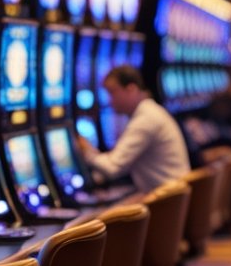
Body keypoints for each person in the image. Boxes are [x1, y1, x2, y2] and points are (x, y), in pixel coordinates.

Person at [76, 64, 191, 195]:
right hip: (172, 198)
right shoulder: (150, 111)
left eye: (112, 93)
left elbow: (113, 168)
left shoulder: (146, 119)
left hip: (166, 202)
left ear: (131, 89)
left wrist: (84, 149)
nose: (109, 101)